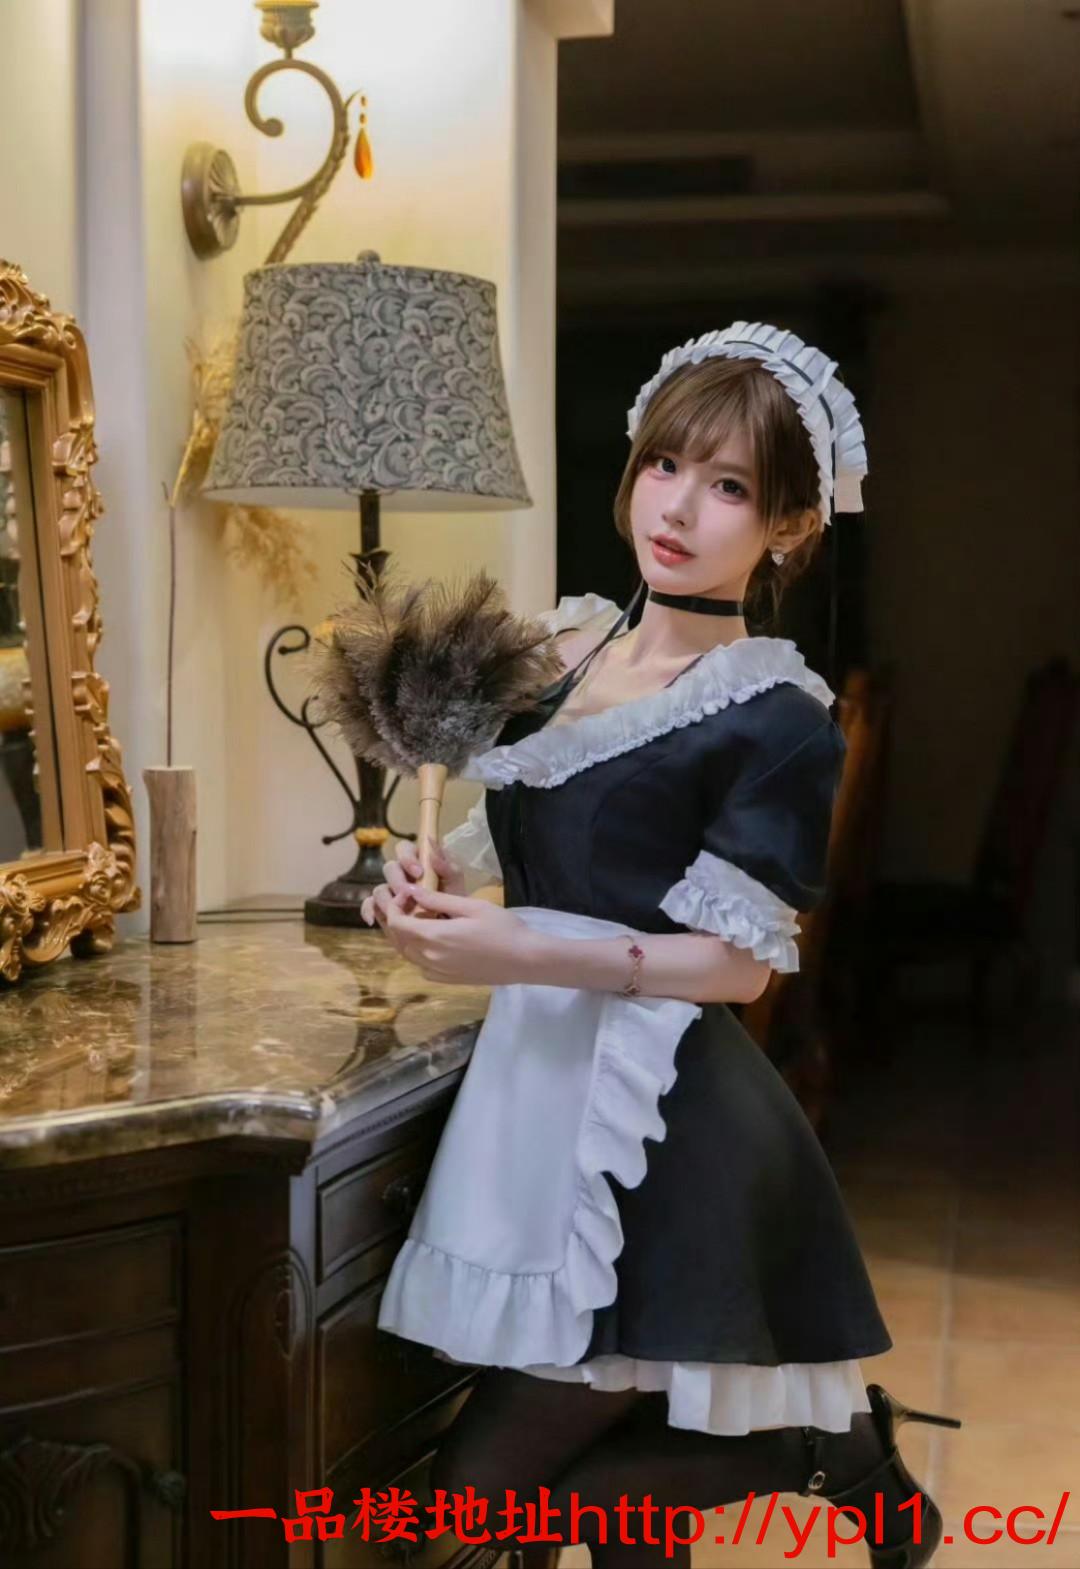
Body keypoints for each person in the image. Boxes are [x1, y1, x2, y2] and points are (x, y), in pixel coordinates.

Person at [362, 323, 961, 1568]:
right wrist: (428, 884)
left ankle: (824, 1455)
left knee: (468, 1508)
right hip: (536, 1104)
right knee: (627, 1541)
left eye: (729, 486)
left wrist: (517, 952)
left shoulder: (778, 719)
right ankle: (846, 1455)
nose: (678, 508)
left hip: (662, 1132)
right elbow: (519, 855)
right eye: (665, 465)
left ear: (790, 526)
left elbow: (734, 967)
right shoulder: (560, 651)